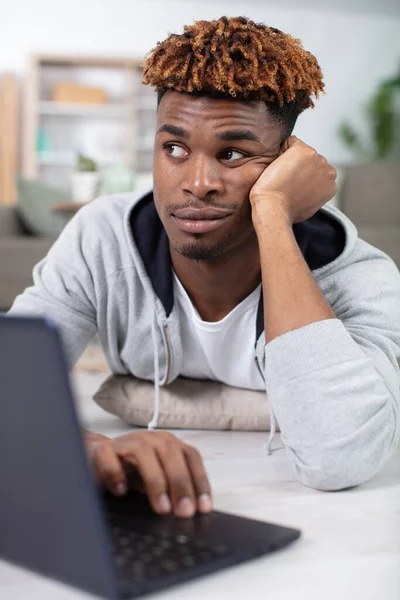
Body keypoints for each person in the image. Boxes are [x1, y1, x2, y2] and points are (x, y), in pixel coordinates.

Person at [8, 16, 400, 519]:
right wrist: (80, 449)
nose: (196, 183)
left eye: (232, 153)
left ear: (285, 163)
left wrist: (274, 214)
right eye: (173, 148)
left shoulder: (359, 276)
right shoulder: (101, 238)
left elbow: (339, 457)